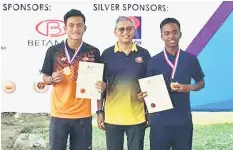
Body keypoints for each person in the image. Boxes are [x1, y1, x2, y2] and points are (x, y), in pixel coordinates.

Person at [41, 9, 105, 150]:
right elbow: (45, 78)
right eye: (71, 25)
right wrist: (51, 78)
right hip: (59, 114)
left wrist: (100, 108)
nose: (75, 28)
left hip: (83, 115)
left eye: (79, 25)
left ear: (84, 27)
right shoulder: (53, 51)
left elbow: (100, 84)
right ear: (65, 28)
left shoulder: (93, 52)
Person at [147, 18, 205, 150]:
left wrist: (188, 87)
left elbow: (201, 83)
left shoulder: (190, 59)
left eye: (174, 32)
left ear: (180, 34)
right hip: (159, 121)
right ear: (161, 36)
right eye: (166, 33)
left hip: (183, 121)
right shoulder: (153, 61)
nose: (171, 36)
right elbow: (148, 89)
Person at [97, 16, 151, 150]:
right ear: (115, 32)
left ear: (134, 31)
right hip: (113, 117)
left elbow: (151, 83)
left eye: (129, 28)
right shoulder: (107, 54)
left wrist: (149, 109)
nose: (125, 32)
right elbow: (99, 86)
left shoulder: (144, 54)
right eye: (121, 29)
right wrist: (99, 111)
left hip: (137, 117)